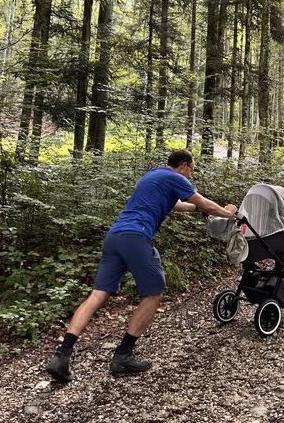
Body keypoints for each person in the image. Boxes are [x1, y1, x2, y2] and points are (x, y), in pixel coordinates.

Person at [45, 149, 237, 382]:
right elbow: (204, 203)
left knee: (97, 295)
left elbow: (179, 205)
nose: (191, 175)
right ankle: (123, 354)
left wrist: (198, 208)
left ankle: (62, 354)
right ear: (184, 166)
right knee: (154, 294)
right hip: (136, 237)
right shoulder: (177, 178)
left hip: (115, 237)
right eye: (192, 171)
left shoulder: (153, 176)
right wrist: (228, 214)